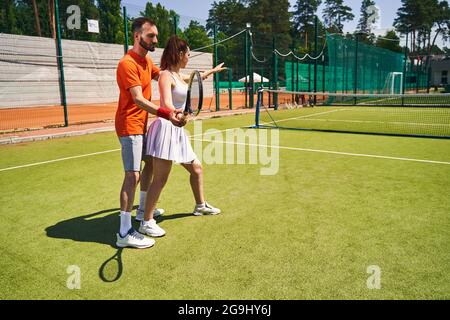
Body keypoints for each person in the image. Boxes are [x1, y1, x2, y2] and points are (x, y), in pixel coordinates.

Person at [138, 36, 226, 237]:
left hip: (178, 130)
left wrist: (212, 71)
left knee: (196, 169)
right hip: (166, 128)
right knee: (160, 178)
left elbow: (197, 77)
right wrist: (174, 113)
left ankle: (200, 205)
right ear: (179, 54)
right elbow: (166, 103)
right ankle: (146, 221)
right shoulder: (165, 76)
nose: (188, 57)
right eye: (187, 54)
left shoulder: (179, 76)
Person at [115, 18, 185, 249]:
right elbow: (138, 99)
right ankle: (124, 232)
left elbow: (169, 76)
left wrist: (201, 76)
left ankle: (143, 212)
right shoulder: (127, 64)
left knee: (151, 165)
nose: (155, 40)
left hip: (142, 125)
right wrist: (168, 113)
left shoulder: (146, 61)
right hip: (130, 125)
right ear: (137, 36)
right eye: (150, 36)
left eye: (156, 36)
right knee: (132, 175)